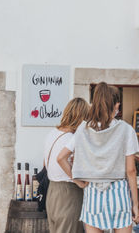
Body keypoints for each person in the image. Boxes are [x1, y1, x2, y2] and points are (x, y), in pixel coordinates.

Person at [58, 82, 139, 233]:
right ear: (116, 106)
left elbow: (61, 158)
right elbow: (131, 170)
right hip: (119, 193)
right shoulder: (127, 130)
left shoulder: (83, 129)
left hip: (93, 193)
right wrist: (135, 204)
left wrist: (78, 181)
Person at [44, 97, 90, 233]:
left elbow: (46, 162)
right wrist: (78, 181)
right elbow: (60, 159)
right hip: (68, 192)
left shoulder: (52, 134)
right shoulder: (71, 139)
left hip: (52, 190)